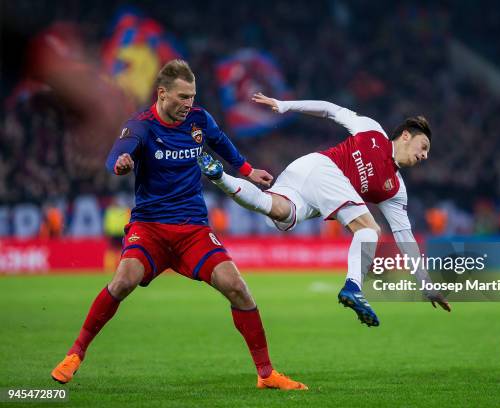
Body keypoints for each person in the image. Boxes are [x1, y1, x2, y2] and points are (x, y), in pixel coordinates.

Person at [50, 62, 307, 390]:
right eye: (183, 96)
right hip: (151, 227)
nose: (189, 103)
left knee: (238, 287)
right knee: (123, 280)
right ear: (162, 94)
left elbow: (221, 141)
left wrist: (247, 170)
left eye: (192, 96)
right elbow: (118, 153)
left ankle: (266, 373)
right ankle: (75, 354)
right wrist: (121, 164)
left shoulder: (199, 119)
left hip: (193, 229)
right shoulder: (142, 126)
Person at [199, 93, 451, 327]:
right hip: (321, 166)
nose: (425, 155)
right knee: (370, 228)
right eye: (424, 146)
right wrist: (286, 105)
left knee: (279, 210)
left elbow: (404, 237)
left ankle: (219, 176)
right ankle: (354, 287)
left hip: (309, 189)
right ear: (406, 135)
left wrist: (425, 284)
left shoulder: (395, 190)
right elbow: (331, 110)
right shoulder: (373, 132)